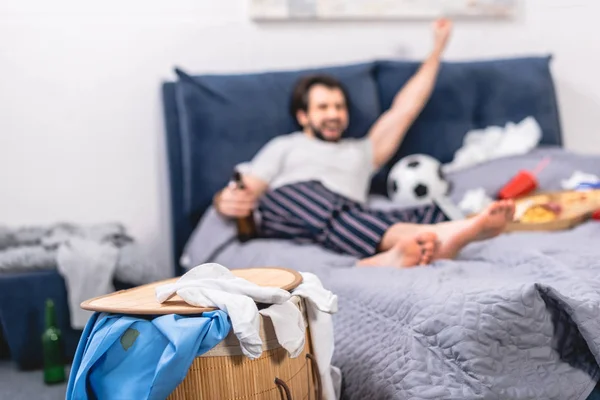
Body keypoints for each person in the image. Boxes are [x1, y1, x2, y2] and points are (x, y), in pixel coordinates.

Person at [213, 18, 515, 268]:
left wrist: (437, 49)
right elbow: (246, 191)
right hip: (291, 206)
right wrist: (225, 200)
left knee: (417, 210)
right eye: (323, 107)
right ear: (303, 116)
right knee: (315, 197)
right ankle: (452, 233)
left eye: (339, 107)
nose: (333, 114)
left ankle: (390, 257)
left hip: (348, 219)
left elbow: (405, 109)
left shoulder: (362, 151)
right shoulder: (285, 145)